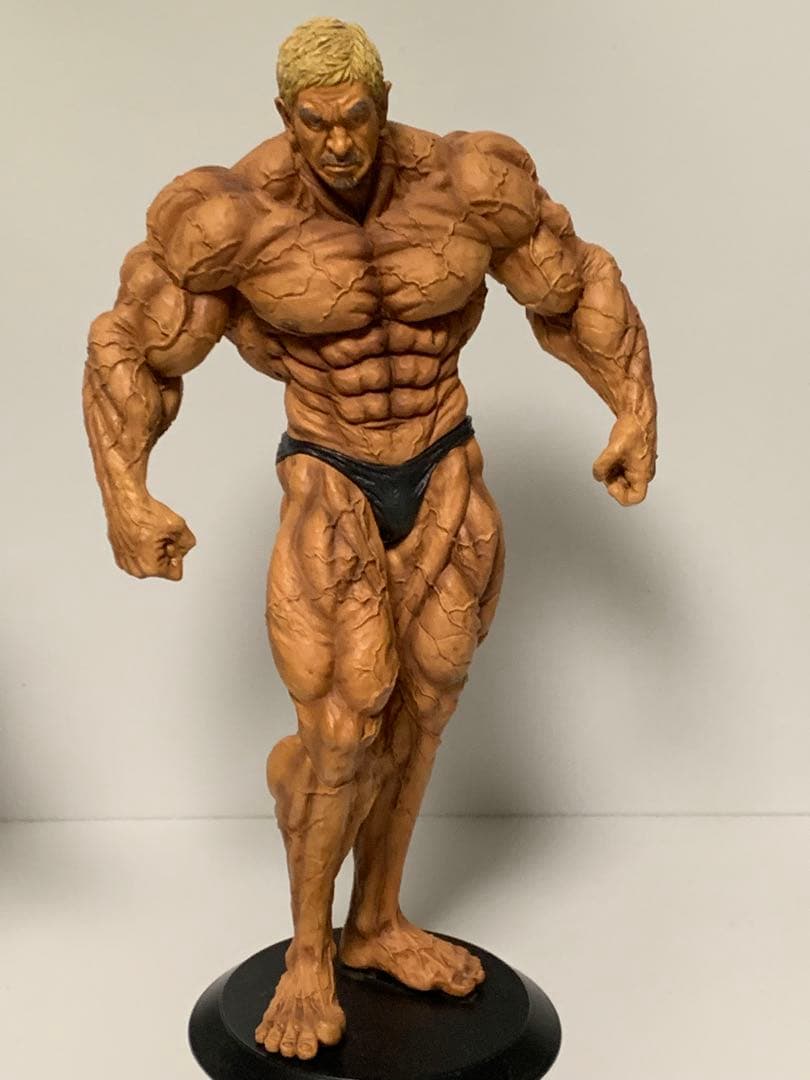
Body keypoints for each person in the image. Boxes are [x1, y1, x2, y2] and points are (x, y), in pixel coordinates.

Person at [83, 16, 657, 1061]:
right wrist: (128, 493)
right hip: (331, 475)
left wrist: (631, 410)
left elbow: (576, 286)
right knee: (347, 730)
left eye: (357, 118)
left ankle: (377, 922)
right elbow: (134, 345)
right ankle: (309, 956)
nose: (340, 143)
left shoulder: (468, 184)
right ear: (283, 116)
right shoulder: (232, 218)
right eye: (316, 124)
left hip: (445, 467)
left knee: (425, 711)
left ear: (385, 103)